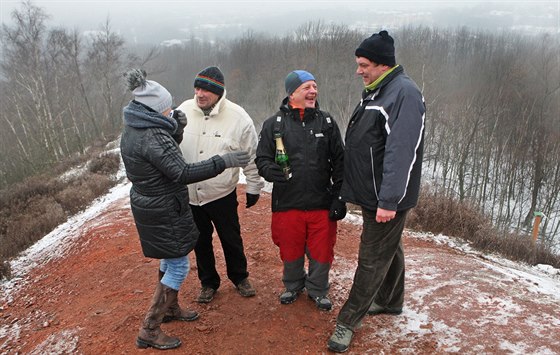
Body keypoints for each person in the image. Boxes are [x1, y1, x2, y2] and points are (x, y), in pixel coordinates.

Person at [120, 69, 251, 350]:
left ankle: (170, 308)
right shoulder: (152, 135)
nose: (172, 108)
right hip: (165, 206)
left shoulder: (136, 126)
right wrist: (223, 161)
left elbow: (162, 160)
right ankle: (149, 328)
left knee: (170, 258)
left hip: (153, 203)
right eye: (166, 107)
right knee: (179, 265)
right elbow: (180, 171)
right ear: (155, 109)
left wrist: (174, 130)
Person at [327, 30, 426, 352]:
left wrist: (389, 200)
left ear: (382, 64)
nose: (359, 70)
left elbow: (401, 152)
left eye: (364, 64)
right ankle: (390, 301)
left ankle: (347, 321)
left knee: (371, 259)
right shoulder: (379, 90)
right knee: (389, 247)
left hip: (386, 196)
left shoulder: (404, 94)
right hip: (375, 193)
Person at [255, 70, 345, 311]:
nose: (313, 91)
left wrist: (339, 196)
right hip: (287, 201)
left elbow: (340, 161)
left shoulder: (326, 122)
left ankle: (317, 289)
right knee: (290, 247)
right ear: (292, 93)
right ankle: (293, 284)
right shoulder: (274, 124)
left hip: (321, 202)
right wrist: (269, 171)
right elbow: (262, 158)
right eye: (306, 87)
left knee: (322, 249)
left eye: (314, 86)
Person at [177, 66, 264, 303]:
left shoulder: (238, 118)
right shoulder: (183, 111)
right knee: (200, 240)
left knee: (230, 238)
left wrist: (254, 186)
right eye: (197, 88)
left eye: (206, 89)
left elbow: (251, 155)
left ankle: (239, 277)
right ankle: (208, 283)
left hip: (221, 193)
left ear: (219, 92)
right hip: (189, 195)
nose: (200, 94)